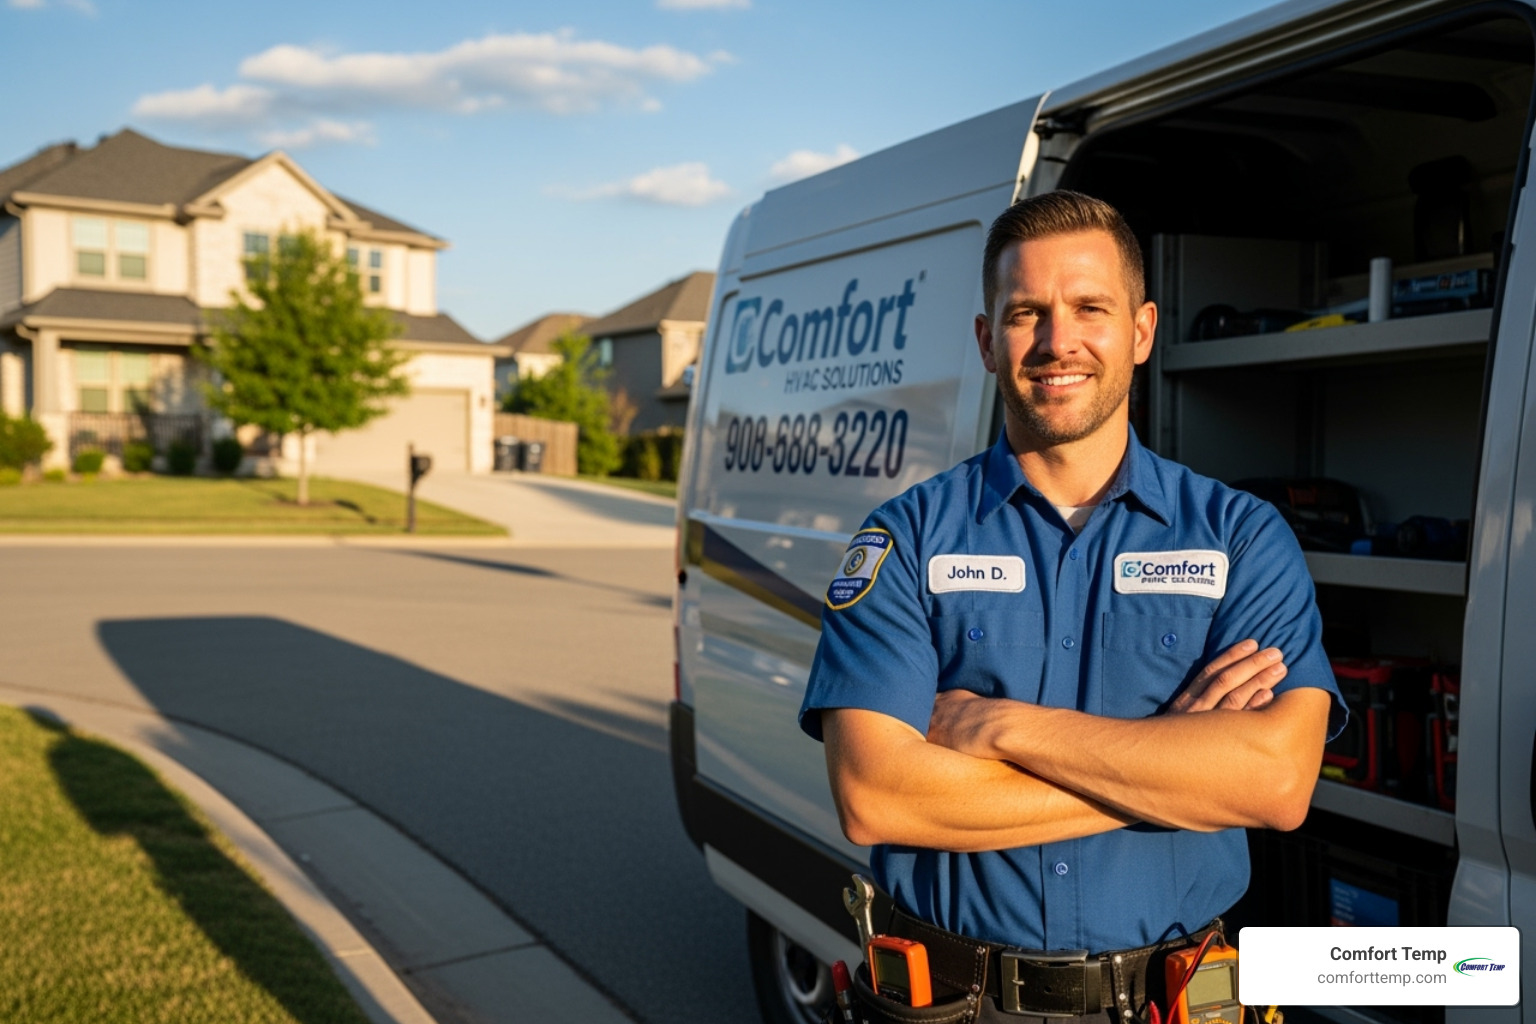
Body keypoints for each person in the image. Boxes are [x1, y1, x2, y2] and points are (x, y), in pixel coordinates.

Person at [798, 191, 1345, 1023]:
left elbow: (1274, 783)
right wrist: (1180, 766)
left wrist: (1002, 729)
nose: (1058, 342)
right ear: (988, 340)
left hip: (1175, 1006)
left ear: (1141, 329)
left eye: (1090, 307)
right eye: (1026, 313)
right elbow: (878, 796)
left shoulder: (1241, 537)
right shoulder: (906, 539)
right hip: (953, 1007)